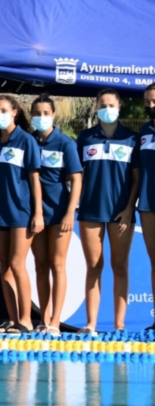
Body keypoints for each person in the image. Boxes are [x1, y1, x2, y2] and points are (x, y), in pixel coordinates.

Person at [76, 89, 140, 334]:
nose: (107, 108)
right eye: (102, 104)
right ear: (96, 107)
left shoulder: (132, 138)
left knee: (120, 266)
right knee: (94, 266)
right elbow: (76, 174)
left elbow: (136, 180)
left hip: (121, 214)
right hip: (90, 211)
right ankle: (91, 324)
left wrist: (128, 209)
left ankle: (119, 325)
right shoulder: (85, 137)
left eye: (111, 104)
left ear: (120, 106)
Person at [0, 94, 43, 334]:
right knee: (4, 266)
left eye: (3, 110)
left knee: (18, 264)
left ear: (14, 112)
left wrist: (38, 213)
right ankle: (12, 319)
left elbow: (34, 179)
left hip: (21, 212)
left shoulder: (26, 140)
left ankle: (26, 320)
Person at [29, 94, 82, 335]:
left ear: (54, 115)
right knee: (40, 266)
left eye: (45, 113)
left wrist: (70, 212)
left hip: (60, 212)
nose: (41, 118)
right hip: (35, 213)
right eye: (37, 114)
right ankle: (44, 319)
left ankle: (55, 322)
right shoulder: (28, 141)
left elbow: (76, 179)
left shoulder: (65, 143)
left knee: (57, 264)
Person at [139, 83, 155, 331]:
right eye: (147, 102)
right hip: (148, 203)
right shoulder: (144, 131)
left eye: (154, 101)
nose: (150, 106)